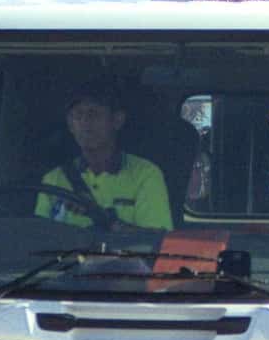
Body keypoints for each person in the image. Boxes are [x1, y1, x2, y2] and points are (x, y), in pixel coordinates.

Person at [35, 80, 173, 231]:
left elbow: (156, 241)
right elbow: (39, 238)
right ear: (70, 125)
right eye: (78, 115)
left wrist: (106, 220)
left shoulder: (146, 174)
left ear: (117, 120)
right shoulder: (53, 179)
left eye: (94, 114)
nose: (85, 122)